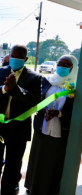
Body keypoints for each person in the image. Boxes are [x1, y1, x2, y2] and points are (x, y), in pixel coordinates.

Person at [0, 45, 42, 195]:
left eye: (19, 57)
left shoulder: (35, 77)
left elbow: (35, 101)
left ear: (26, 59)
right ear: (9, 56)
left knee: (12, 167)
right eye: (12, 56)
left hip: (18, 129)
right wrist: (4, 89)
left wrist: (15, 90)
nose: (14, 60)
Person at [25, 55, 78, 195]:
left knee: (53, 162)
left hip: (60, 131)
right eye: (60, 63)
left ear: (73, 68)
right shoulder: (46, 81)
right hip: (42, 127)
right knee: (38, 158)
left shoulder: (76, 87)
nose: (62, 66)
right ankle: (33, 186)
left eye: (66, 65)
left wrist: (59, 114)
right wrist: (44, 109)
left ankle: (49, 190)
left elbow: (77, 112)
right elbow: (37, 100)